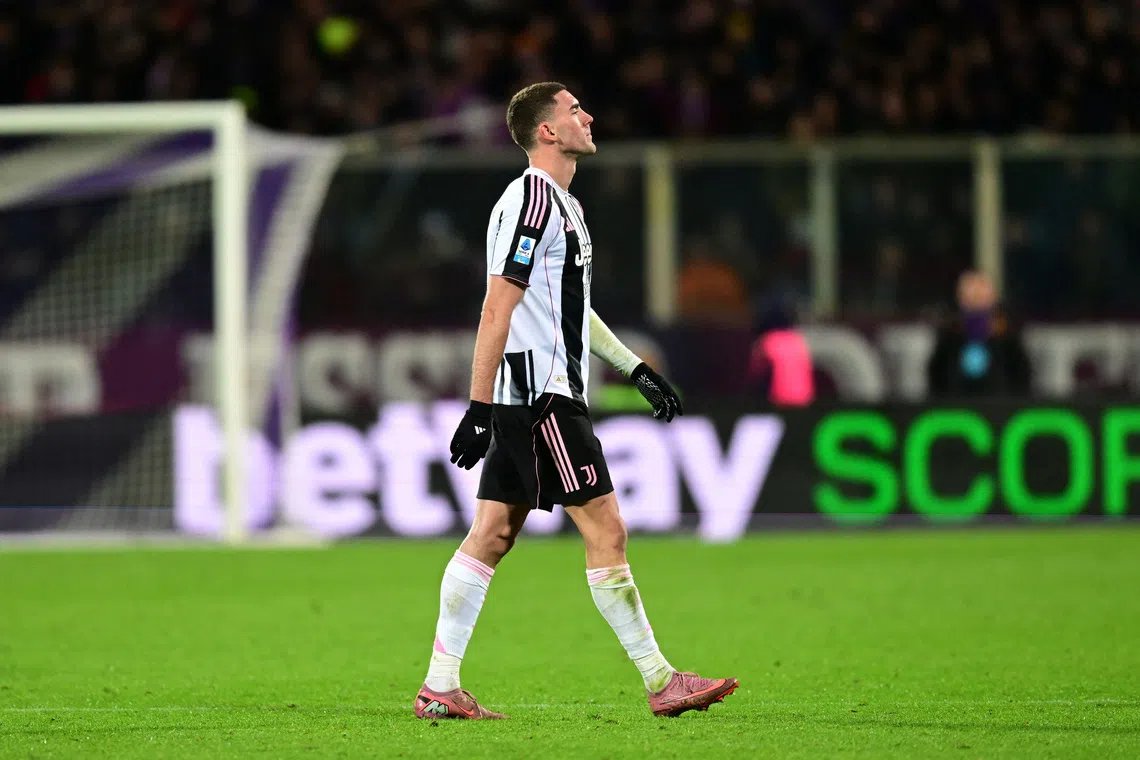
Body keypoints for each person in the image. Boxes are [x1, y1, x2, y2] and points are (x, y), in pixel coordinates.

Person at [414, 82, 738, 721]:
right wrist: (480, 407)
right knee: (606, 528)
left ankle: (440, 686)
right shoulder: (535, 201)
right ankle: (660, 679)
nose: (588, 116)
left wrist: (635, 369)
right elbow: (497, 305)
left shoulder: (564, 207)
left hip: (535, 393)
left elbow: (570, 310)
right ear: (548, 133)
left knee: (493, 532)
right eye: (573, 111)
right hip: (541, 399)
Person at [926, 270, 1031, 397]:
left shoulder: (1008, 335)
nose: (976, 297)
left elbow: (1022, 377)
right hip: (956, 405)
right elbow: (936, 376)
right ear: (960, 298)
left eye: (981, 294)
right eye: (971, 294)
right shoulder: (949, 336)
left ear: (993, 297)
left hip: (1000, 405)